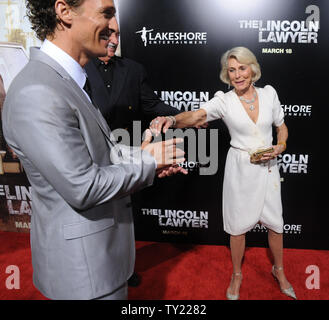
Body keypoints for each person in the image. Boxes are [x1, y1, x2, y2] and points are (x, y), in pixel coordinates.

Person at [2, 0, 186, 300]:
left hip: (100, 260)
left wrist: (145, 159)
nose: (113, 27)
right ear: (64, 12)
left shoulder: (68, 80)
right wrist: (148, 163)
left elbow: (98, 153)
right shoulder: (39, 92)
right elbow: (83, 187)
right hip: (84, 273)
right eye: (106, 13)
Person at [150, 46, 296, 300]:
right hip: (240, 169)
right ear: (226, 75)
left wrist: (280, 146)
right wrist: (173, 121)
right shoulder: (224, 101)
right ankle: (237, 274)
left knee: (276, 224)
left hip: (269, 169)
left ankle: (279, 269)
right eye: (231, 70)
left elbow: (282, 128)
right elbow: (196, 116)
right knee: (237, 228)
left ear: (252, 69)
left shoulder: (269, 94)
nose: (238, 75)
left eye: (242, 68)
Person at [85, 16, 181, 287]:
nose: (114, 40)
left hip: (127, 157)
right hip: (93, 160)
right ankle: (100, 273)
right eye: (108, 33)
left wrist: (188, 116)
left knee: (125, 221)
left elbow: (153, 105)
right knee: (97, 222)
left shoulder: (134, 70)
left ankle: (125, 270)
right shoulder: (78, 70)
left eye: (117, 33)